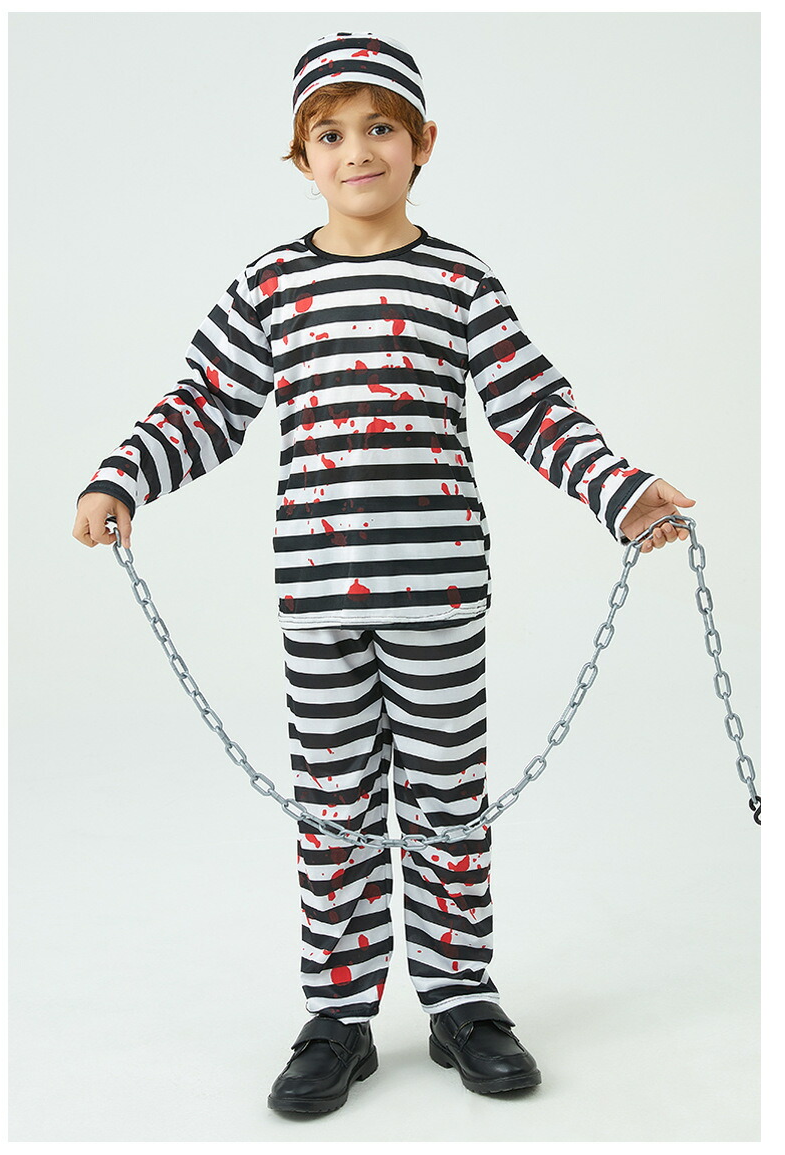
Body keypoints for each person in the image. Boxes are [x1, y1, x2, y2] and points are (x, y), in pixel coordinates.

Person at [72, 30, 695, 1115]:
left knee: (449, 801)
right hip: (319, 601)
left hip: (439, 596)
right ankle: (339, 1015)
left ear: (422, 144)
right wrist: (123, 477)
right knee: (335, 808)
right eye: (329, 134)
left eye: (378, 129)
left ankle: (461, 999)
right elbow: (204, 404)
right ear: (300, 158)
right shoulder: (271, 286)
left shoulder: (459, 282)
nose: (355, 150)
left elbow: (535, 408)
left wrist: (620, 491)